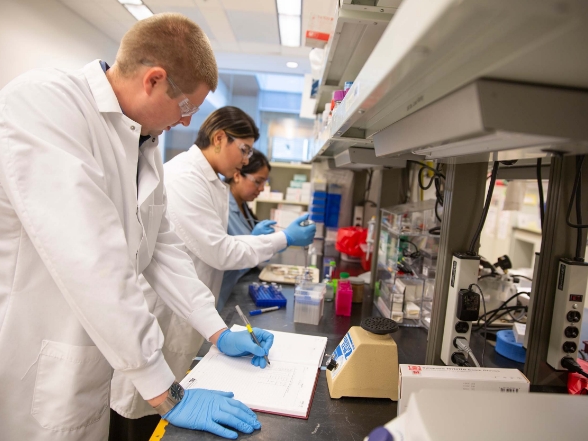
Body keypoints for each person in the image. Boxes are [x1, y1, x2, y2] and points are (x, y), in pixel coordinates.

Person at [0, 13, 273, 441]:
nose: (186, 123)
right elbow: (90, 259)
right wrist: (168, 394)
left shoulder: (141, 139)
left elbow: (161, 247)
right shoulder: (46, 105)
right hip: (32, 355)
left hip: (89, 361)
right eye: (186, 108)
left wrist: (216, 329)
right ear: (153, 80)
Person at [109, 106, 316, 432]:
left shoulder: (210, 181)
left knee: (162, 420)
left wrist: (219, 333)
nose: (247, 160)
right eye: (244, 149)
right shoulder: (185, 178)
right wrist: (283, 238)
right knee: (139, 421)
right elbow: (217, 251)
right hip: (157, 319)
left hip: (186, 309)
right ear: (220, 138)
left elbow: (176, 255)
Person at [217, 149, 274, 310]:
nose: (262, 188)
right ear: (237, 176)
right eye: (258, 181)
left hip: (237, 289)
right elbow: (224, 255)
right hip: (221, 294)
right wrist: (254, 243)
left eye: (264, 183)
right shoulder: (222, 206)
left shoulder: (243, 206)